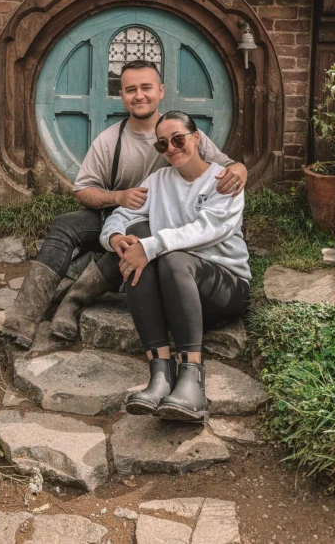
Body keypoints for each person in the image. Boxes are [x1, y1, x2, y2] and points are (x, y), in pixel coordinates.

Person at [0, 61, 247, 348]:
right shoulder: (109, 141)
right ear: (122, 95)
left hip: (160, 223)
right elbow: (82, 191)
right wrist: (117, 198)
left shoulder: (180, 131)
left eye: (146, 88)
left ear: (161, 91)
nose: (139, 95)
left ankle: (71, 305)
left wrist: (241, 169)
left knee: (139, 232)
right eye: (131, 90)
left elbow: (225, 166)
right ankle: (22, 320)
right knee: (67, 224)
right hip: (114, 215)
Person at [100, 110, 251, 422]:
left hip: (223, 288)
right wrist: (115, 237)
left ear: (197, 138)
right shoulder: (158, 181)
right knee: (135, 238)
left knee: (168, 255)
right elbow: (122, 214)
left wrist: (151, 246)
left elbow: (206, 229)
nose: (171, 148)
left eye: (178, 139)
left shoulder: (223, 180)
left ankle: (191, 380)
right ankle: (160, 376)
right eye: (162, 144)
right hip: (176, 291)